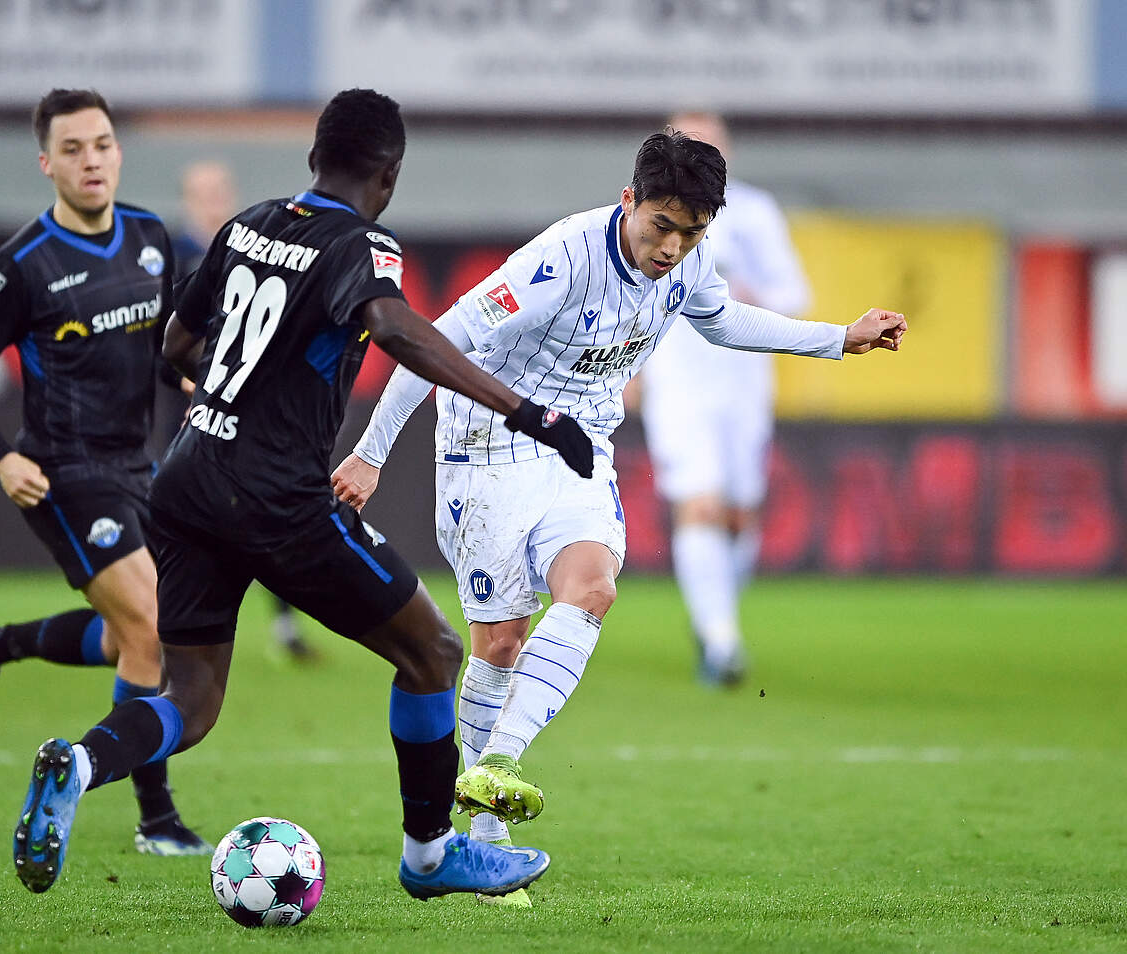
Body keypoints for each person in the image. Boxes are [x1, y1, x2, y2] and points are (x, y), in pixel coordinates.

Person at [10, 88, 592, 900]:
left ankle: (80, 763)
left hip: (187, 479)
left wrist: (234, 393)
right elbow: (394, 327)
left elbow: (176, 343)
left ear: (316, 157)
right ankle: (431, 858)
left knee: (191, 700)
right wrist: (528, 412)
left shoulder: (245, 225)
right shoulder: (363, 244)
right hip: (276, 496)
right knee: (432, 652)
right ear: (389, 175)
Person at [332, 128, 905, 906]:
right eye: (661, 226)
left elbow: (723, 320)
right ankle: (488, 836)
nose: (672, 248)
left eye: (690, 233)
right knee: (500, 642)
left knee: (593, 587)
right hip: (486, 442)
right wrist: (370, 454)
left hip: (577, 446)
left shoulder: (690, 259)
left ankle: (496, 762)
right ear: (629, 199)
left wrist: (839, 338)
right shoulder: (560, 260)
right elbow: (433, 341)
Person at [0, 88, 209, 858]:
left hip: (139, 468)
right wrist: (3, 458)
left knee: (132, 637)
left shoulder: (150, 238)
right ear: (47, 163)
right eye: (73, 149)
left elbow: (160, 352)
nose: (92, 161)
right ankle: (157, 819)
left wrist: (187, 378)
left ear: (118, 152)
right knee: (153, 628)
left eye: (103, 144)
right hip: (63, 475)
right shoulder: (21, 265)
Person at [637, 112, 812, 686]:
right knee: (701, 504)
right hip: (678, 380)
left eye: (706, 145)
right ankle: (721, 641)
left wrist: (748, 295)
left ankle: (715, 618)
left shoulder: (754, 213)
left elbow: (795, 293)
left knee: (738, 515)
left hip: (743, 381)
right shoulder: (647, 215)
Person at [170, 159, 319, 663]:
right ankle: (170, 621)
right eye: (203, 192)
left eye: (220, 190)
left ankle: (282, 624)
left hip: (251, 408)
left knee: (263, 511)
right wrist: (189, 382)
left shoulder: (252, 247)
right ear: (188, 199)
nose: (213, 200)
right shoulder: (176, 255)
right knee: (197, 518)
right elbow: (162, 334)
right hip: (193, 407)